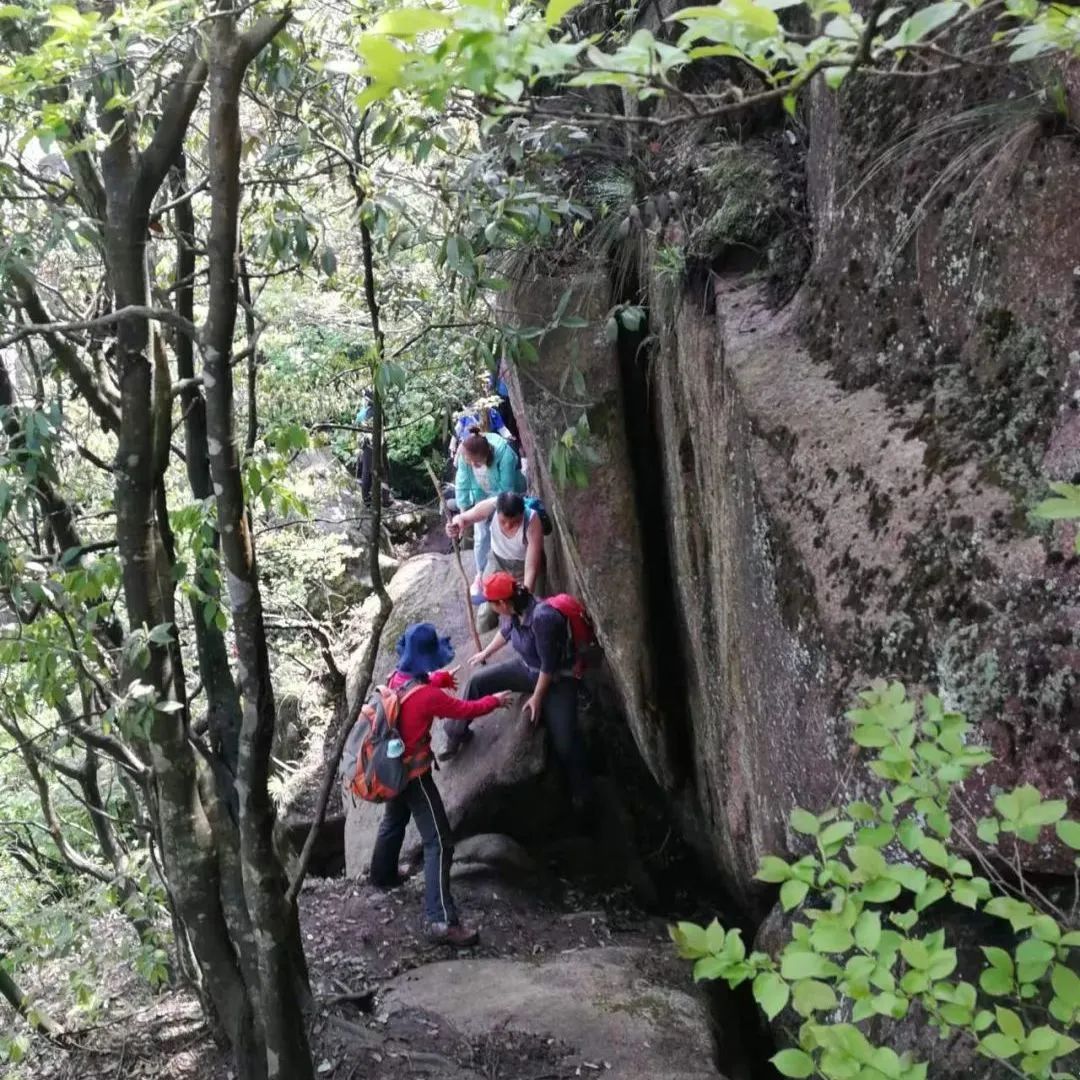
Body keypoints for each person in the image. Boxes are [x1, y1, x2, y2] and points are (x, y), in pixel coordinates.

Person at [368, 623, 513, 946]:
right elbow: (463, 709)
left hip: (393, 770)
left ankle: (382, 876)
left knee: (394, 819)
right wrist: (495, 700)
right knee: (439, 843)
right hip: (415, 776)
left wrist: (440, 680)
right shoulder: (429, 698)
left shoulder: (396, 678)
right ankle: (441, 921)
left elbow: (416, 691)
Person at [442, 574, 592, 819]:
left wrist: (536, 698)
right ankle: (455, 733)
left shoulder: (542, 618)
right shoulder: (513, 611)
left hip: (556, 680)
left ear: (501, 603)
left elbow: (549, 665)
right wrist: (486, 653)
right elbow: (506, 632)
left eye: (490, 602)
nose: (489, 606)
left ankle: (582, 795)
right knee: (477, 681)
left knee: (566, 740)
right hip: (526, 668)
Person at [447, 491, 545, 631]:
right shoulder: (492, 506)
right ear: (498, 513)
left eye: (515, 522)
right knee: (485, 615)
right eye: (503, 521)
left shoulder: (532, 521)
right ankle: (488, 633)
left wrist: (525, 596)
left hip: (523, 566)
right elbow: (463, 518)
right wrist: (455, 526)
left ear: (522, 514)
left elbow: (531, 568)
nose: (508, 526)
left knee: (533, 612)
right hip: (497, 562)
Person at [453, 428, 525, 594]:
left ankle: (511, 575)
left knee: (508, 533)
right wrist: (463, 513)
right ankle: (482, 574)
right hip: (483, 496)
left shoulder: (504, 456)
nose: (471, 465)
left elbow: (507, 490)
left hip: (508, 498)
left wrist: (485, 511)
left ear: (485, 456)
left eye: (475, 462)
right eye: (469, 461)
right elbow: (462, 482)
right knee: (481, 534)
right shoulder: (466, 454)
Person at [354, 390, 390, 507]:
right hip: (376, 446)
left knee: (368, 472)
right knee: (382, 472)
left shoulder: (365, 413)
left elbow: (358, 426)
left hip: (369, 446)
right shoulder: (377, 412)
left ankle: (368, 498)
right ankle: (383, 499)